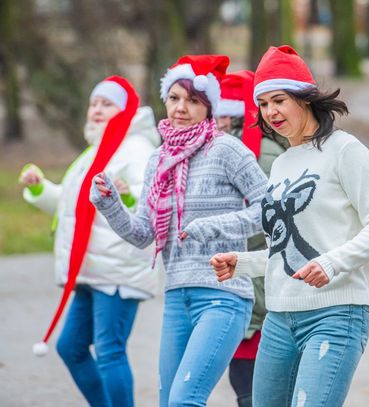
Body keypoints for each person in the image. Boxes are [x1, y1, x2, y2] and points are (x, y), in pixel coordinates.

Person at [211, 45, 369, 407]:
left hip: (335, 314)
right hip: (280, 318)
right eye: (262, 104)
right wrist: (243, 263)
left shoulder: (345, 150)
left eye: (279, 100)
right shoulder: (282, 164)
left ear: (305, 98)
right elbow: (286, 251)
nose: (270, 112)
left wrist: (332, 263)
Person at [90, 55, 268, 407]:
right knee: (169, 401)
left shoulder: (227, 149)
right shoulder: (158, 159)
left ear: (209, 106)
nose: (181, 108)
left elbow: (271, 209)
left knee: (185, 399)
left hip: (223, 295)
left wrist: (214, 226)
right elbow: (143, 233)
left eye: (193, 100)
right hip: (176, 296)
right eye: (174, 98)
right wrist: (110, 204)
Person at [20, 76, 160, 407]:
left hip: (119, 270)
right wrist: (40, 188)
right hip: (91, 269)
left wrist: (128, 196)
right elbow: (72, 207)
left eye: (107, 104)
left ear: (125, 111)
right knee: (70, 347)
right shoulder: (96, 150)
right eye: (94, 103)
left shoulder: (136, 149)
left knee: (110, 351)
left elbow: (151, 201)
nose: (97, 109)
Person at [215, 70, 287, 407]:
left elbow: (270, 220)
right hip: (240, 273)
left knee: (249, 378)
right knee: (246, 378)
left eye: (218, 114)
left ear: (231, 115)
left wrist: (214, 228)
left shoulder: (260, 154)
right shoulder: (232, 147)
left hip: (256, 277)